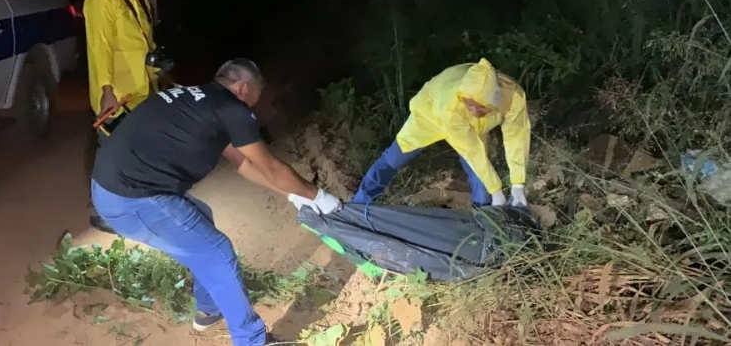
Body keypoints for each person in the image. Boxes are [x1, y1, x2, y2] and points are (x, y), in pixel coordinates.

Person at [90, 58, 342, 346]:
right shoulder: (230, 108)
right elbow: (271, 167)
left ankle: (209, 309)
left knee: (201, 217)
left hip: (113, 187)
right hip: (131, 199)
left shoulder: (195, 98)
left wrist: (292, 195)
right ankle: (252, 340)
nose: (251, 109)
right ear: (244, 88)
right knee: (217, 251)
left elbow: (244, 163)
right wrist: (321, 198)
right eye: (254, 99)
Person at [349, 58, 531, 208]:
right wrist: (497, 191)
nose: (474, 112)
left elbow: (517, 137)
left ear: (494, 99)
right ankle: (358, 205)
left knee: (481, 182)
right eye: (469, 105)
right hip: (429, 116)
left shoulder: (512, 97)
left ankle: (483, 220)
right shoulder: (451, 105)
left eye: (480, 108)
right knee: (393, 159)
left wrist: (517, 184)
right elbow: (471, 150)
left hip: (471, 126)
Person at [83, 0, 163, 233]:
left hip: (140, 91)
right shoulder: (102, 0)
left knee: (137, 152)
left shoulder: (136, 2)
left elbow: (141, 44)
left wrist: (156, 67)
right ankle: (103, 212)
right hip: (115, 95)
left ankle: (131, 206)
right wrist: (106, 90)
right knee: (112, 155)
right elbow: (99, 49)